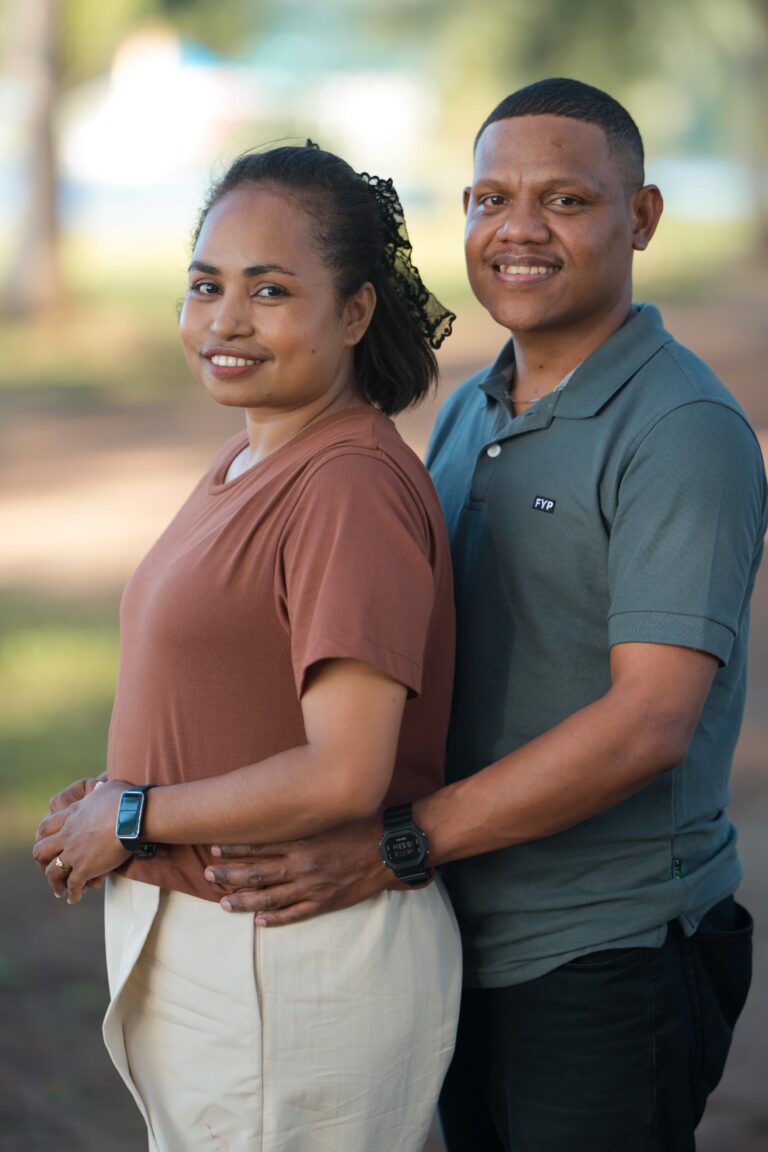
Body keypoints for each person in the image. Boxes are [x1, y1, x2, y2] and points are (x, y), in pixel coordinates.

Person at [199, 80, 768, 1151]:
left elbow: (649, 722)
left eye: (565, 200)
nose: (519, 229)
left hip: (607, 950)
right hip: (459, 929)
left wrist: (398, 845)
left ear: (641, 217)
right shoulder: (471, 406)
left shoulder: (682, 428)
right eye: (491, 198)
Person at [33, 142, 462, 1152]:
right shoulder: (254, 452)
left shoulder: (347, 487)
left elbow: (346, 770)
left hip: (291, 959)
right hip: (229, 952)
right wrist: (117, 792)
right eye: (206, 286)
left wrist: (132, 814)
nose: (226, 319)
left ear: (353, 312)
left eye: (269, 291)